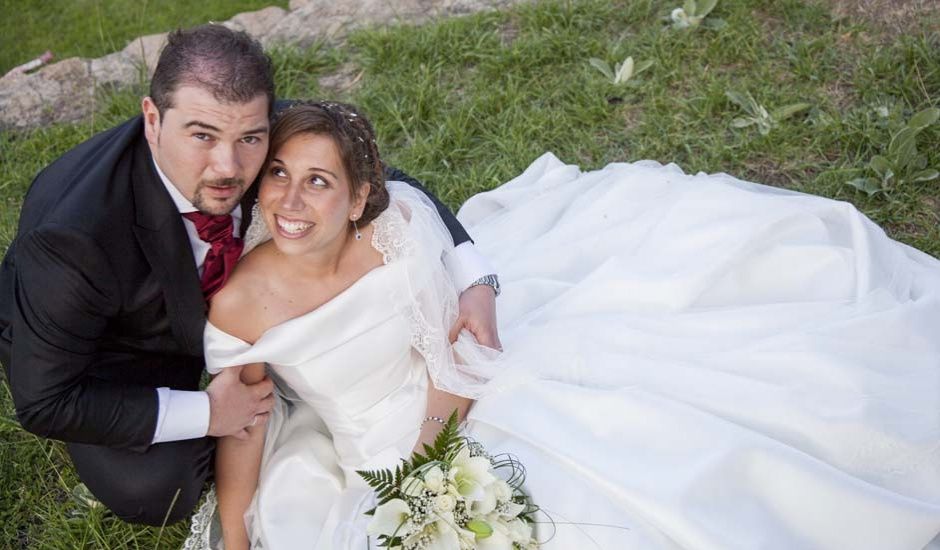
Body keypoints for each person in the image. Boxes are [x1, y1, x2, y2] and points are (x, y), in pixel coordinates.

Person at [191, 101, 940, 550]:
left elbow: (448, 374)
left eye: (318, 180)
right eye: (280, 175)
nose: (290, 199)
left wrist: (421, 485)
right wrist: (234, 534)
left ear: (359, 202)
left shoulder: (400, 233)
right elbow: (247, 420)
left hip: (458, 412)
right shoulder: (241, 303)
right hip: (352, 457)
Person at [0, 25, 501, 526]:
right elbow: (44, 401)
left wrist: (475, 280)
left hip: (246, 318)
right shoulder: (71, 236)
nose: (228, 167)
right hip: (121, 353)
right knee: (158, 489)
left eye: (250, 138)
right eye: (201, 136)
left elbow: (387, 185)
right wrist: (209, 413)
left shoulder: (257, 128)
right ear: (152, 119)